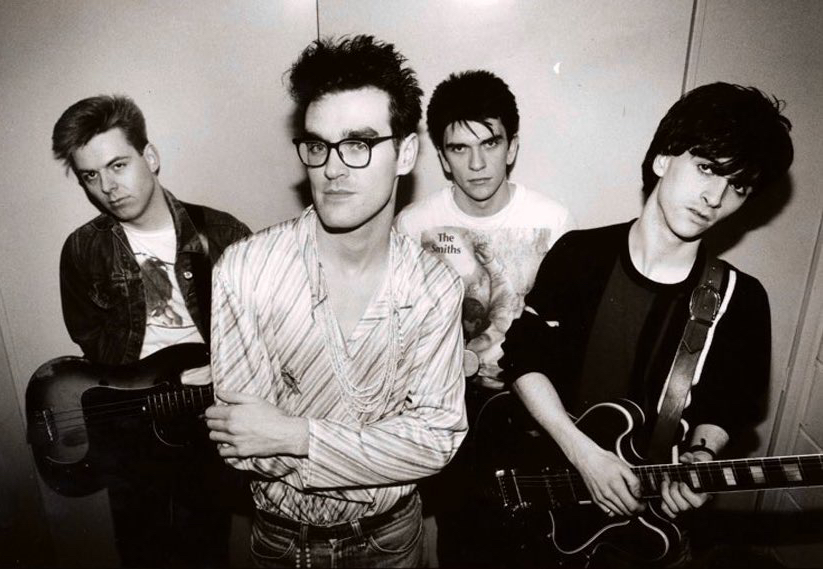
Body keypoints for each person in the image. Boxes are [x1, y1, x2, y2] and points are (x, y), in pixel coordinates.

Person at [499, 82, 794, 567]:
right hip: (542, 501)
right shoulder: (579, 254)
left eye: (738, 186)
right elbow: (523, 357)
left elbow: (726, 408)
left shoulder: (742, 300)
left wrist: (700, 461)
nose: (716, 197)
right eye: (707, 168)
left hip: (641, 534)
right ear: (662, 158)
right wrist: (583, 454)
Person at [203, 35, 467, 568]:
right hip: (283, 543)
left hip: (391, 541)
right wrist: (386, 450)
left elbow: (436, 442)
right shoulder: (246, 270)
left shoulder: (435, 287)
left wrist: (296, 434)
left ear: (406, 153)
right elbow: (248, 451)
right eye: (318, 145)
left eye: (358, 144)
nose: (332, 168)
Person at [53, 94, 252, 567]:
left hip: (209, 419)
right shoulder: (81, 250)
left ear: (151, 156)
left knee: (206, 551)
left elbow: (265, 334)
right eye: (90, 176)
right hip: (132, 431)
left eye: (117, 165)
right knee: (142, 554)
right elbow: (90, 340)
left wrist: (221, 369)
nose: (107, 187)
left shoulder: (223, 233)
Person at [395, 69, 574, 566]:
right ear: (441, 157)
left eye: (490, 143)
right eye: (459, 148)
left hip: (531, 418)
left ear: (511, 147)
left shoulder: (554, 221)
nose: (476, 164)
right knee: (461, 544)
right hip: (449, 418)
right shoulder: (413, 225)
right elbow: (399, 333)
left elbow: (566, 333)